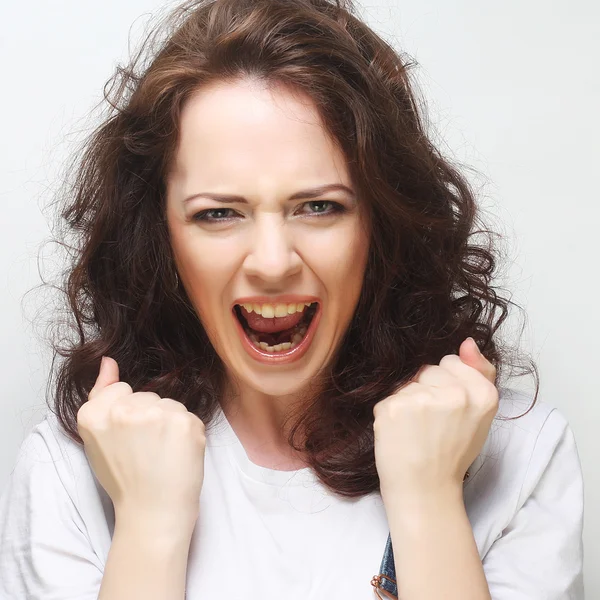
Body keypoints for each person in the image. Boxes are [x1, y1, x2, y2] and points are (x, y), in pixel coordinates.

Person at [0, 0, 585, 598]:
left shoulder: (518, 454)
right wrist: (148, 531)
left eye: (319, 206)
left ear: (379, 222)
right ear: (161, 237)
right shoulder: (70, 472)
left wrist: (430, 500)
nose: (273, 263)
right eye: (219, 213)